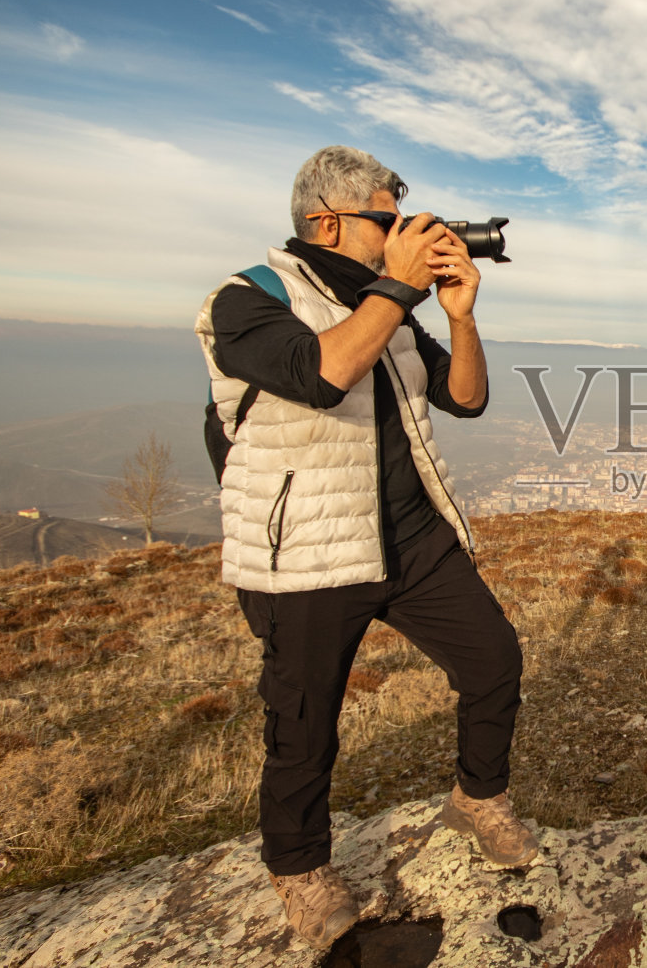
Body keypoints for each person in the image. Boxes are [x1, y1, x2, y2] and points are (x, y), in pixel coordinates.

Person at [193, 145, 534, 951]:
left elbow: (467, 399)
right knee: (304, 721)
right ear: (327, 220)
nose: (403, 232)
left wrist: (459, 312)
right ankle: (300, 869)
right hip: (308, 551)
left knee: (494, 660)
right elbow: (324, 372)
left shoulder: (396, 306)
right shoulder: (247, 299)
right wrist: (401, 286)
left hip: (412, 537)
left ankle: (477, 798)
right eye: (388, 219)